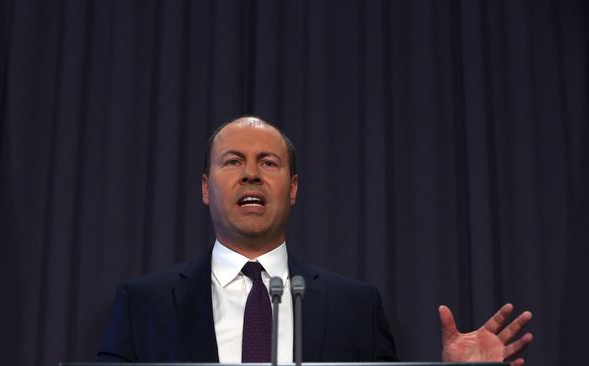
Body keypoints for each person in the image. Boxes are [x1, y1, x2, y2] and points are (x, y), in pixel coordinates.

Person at [98, 116, 533, 364]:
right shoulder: (144, 305)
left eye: (268, 162)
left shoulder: (356, 307)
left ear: (293, 189)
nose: (251, 173)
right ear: (206, 188)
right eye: (233, 161)